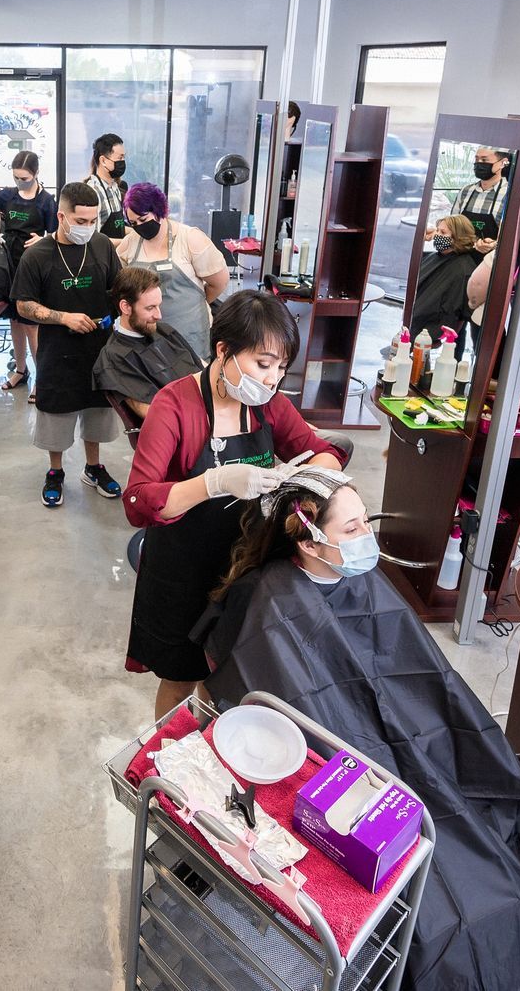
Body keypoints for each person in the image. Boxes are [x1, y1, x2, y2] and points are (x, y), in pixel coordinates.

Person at [197, 468, 520, 991]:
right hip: (346, 751)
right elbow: (275, 692)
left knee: (490, 814)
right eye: (351, 529)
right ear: (308, 540)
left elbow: (426, 676)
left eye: (366, 521)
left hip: (409, 730)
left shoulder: (358, 575)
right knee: (444, 902)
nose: (366, 536)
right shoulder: (271, 600)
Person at [123, 290, 346, 718]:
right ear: (224, 350)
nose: (272, 379)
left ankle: (209, 740)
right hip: (183, 570)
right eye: (263, 364)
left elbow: (325, 452)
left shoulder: (268, 405)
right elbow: (138, 501)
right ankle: (173, 747)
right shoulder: (174, 405)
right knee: (181, 677)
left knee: (224, 673)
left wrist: (300, 481)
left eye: (281, 367)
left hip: (243, 569)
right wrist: (214, 482)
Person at [12, 181, 124, 507]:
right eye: (81, 221)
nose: (88, 227)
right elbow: (23, 305)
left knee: (97, 410)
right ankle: (56, 471)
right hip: (57, 352)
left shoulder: (102, 246)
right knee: (57, 413)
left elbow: (117, 289)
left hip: (99, 349)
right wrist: (63, 318)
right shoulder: (37, 255)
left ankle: (93, 467)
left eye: (93, 221)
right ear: (62, 217)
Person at [116, 181, 228, 360]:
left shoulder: (190, 238)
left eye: (143, 220)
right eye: (133, 223)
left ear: (159, 210)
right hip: (148, 336)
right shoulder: (130, 243)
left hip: (189, 334)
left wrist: (192, 303)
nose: (139, 226)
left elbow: (219, 282)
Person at [0, 151, 57, 392]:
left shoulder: (46, 201)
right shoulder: (7, 195)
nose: (19, 182)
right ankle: (20, 370)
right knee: (15, 320)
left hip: (32, 265)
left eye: (24, 178)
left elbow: (57, 234)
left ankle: (42, 378)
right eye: (16, 177)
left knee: (31, 324)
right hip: (9, 263)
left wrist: (43, 240)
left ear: (36, 174)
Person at [92, 266, 202, 419]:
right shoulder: (114, 357)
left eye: (158, 306)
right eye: (150, 308)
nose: (159, 315)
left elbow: (201, 370)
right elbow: (154, 414)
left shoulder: (165, 331)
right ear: (126, 307)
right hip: (183, 425)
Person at [407, 213, 483, 341]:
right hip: (414, 321)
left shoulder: (464, 270)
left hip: (431, 328)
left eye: (442, 232)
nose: (437, 235)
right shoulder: (433, 257)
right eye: (437, 230)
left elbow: (452, 311)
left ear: (458, 238)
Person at [452, 145, 511, 250]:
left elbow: (510, 236)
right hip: (462, 255)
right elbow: (452, 226)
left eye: (484, 160)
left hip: (490, 258)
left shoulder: (509, 194)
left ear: (503, 163)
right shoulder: (466, 191)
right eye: (477, 159)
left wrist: (494, 245)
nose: (479, 164)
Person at [84, 133, 129, 240]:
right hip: (102, 251)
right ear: (103, 160)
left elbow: (119, 227)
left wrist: (136, 234)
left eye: (124, 157)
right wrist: (125, 243)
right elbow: (92, 239)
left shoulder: (115, 188)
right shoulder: (93, 192)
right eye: (120, 158)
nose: (123, 162)